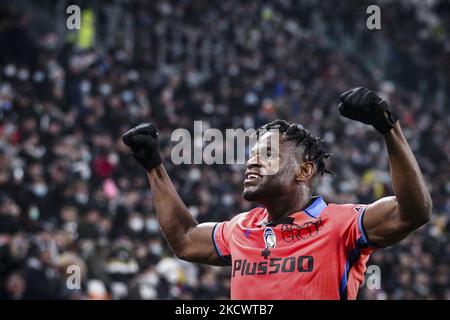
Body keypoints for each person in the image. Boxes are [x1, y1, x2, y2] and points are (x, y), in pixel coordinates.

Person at [122, 87, 432, 300]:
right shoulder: (240, 229)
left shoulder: (342, 225)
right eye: (253, 153)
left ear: (304, 171)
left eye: (268, 154)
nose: (253, 160)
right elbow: (185, 239)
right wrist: (153, 167)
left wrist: (387, 127)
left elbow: (413, 212)